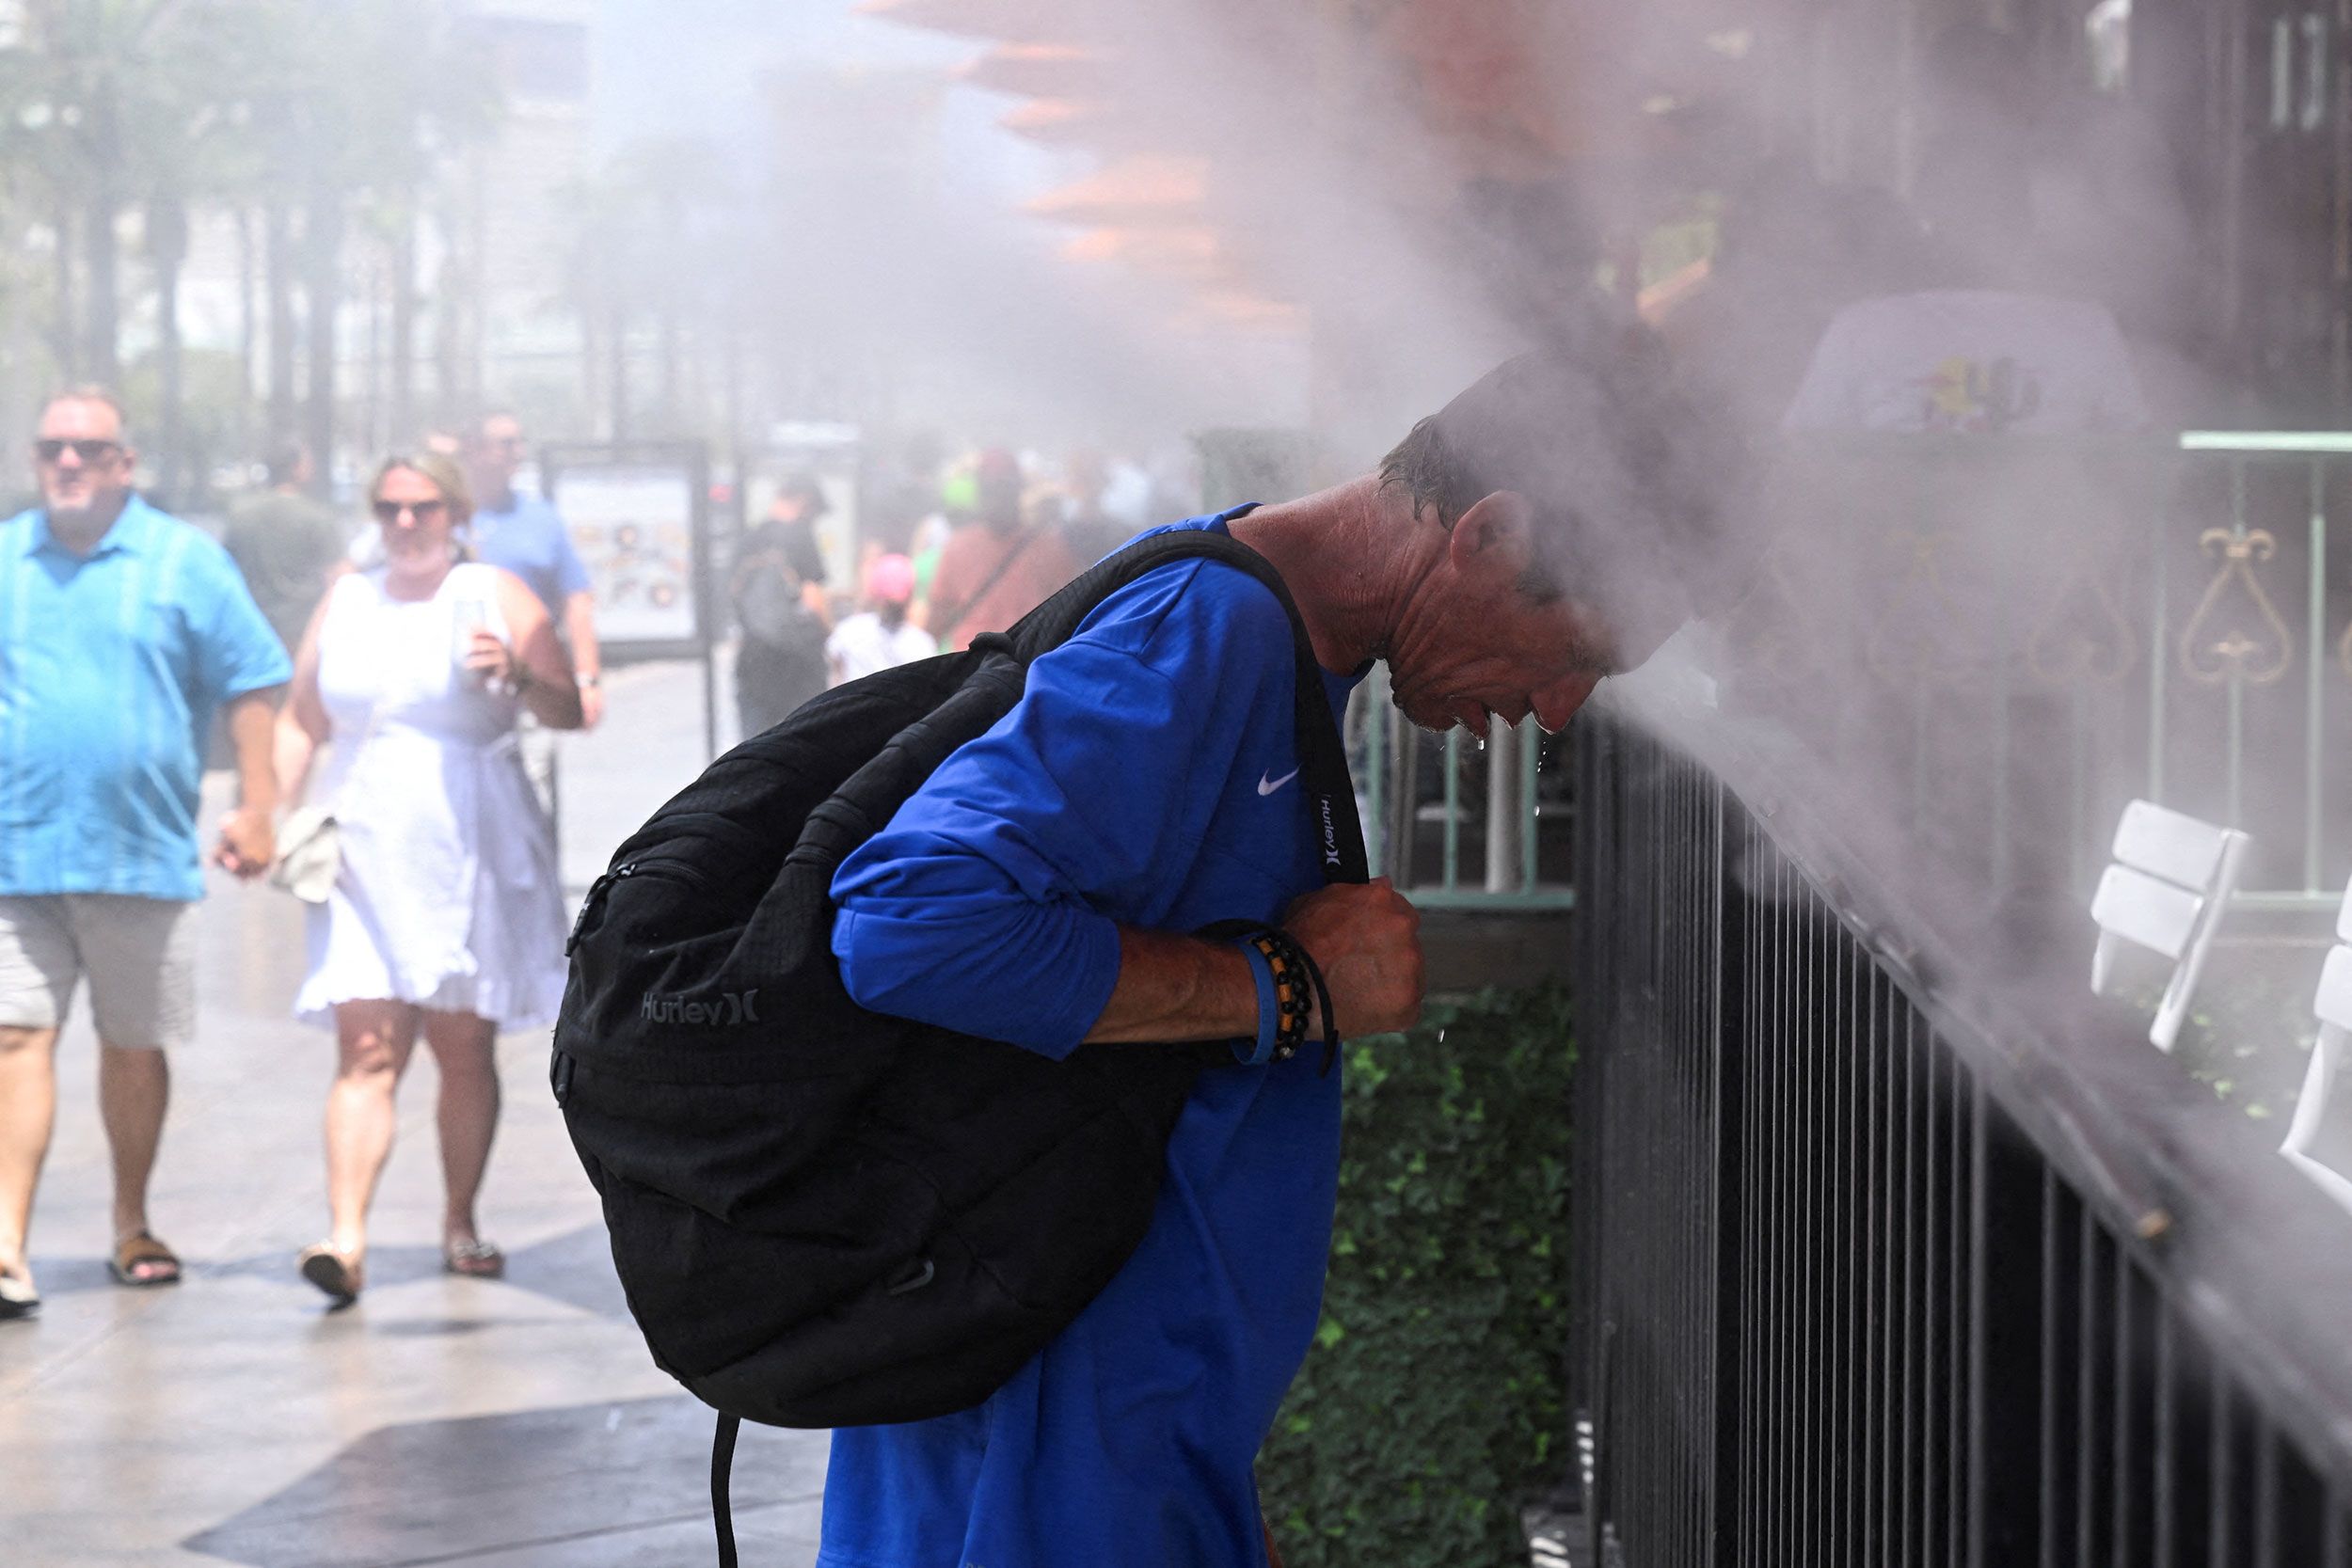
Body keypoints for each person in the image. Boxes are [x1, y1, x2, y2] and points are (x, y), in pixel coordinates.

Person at [816, 336, 1736, 1566]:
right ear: (1493, 536)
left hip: (1120, 1448)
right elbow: (904, 918)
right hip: (1042, 1465)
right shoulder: (1208, 638)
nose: (1560, 707)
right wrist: (1284, 985)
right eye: (1577, 650)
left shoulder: (1277, 645)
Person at [0, 388, 290, 1319]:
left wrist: (258, 804)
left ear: (125, 462)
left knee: (132, 1047)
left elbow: (252, 680)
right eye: (54, 448)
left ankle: (131, 1222)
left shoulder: (184, 561)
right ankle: (6, 1241)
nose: (69, 463)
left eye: (88, 448)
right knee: (14, 1037)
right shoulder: (6, 558)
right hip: (17, 851)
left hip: (138, 852)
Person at [274, 452, 582, 1306]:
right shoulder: (348, 598)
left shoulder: (492, 593)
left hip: (469, 846)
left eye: (423, 507)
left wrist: (519, 674)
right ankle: (346, 1236)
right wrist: (269, 811)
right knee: (366, 1044)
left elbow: (571, 708)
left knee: (460, 1044)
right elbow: (301, 716)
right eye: (389, 508)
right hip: (365, 847)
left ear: (453, 512)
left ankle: (458, 1218)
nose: (405, 523)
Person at [463, 413, 603, 729]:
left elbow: (576, 599)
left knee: (532, 773)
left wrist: (587, 679)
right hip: (461, 687)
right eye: (506, 444)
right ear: (474, 449)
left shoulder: (541, 519)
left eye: (520, 442)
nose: (518, 452)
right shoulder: (444, 515)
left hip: (531, 689)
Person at [920, 448, 1080, 651]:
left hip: (1008, 666)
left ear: (1016, 492)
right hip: (1004, 667)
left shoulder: (1050, 549)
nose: (997, 499)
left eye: (1002, 490)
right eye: (991, 490)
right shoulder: (958, 547)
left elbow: (934, 624)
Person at [222, 438, 350, 655]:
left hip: (253, 632)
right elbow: (341, 579)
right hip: (302, 634)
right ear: (297, 468)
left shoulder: (239, 515)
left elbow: (225, 572)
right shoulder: (316, 517)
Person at [731, 475, 834, 738]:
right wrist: (829, 632)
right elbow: (813, 597)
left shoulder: (748, 540)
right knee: (803, 742)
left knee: (756, 746)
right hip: (797, 663)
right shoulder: (800, 536)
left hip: (753, 659)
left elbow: (734, 596)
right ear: (803, 503)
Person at [825, 552, 933, 685]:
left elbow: (835, 671)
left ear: (874, 592)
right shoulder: (921, 645)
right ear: (910, 596)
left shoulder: (848, 631)